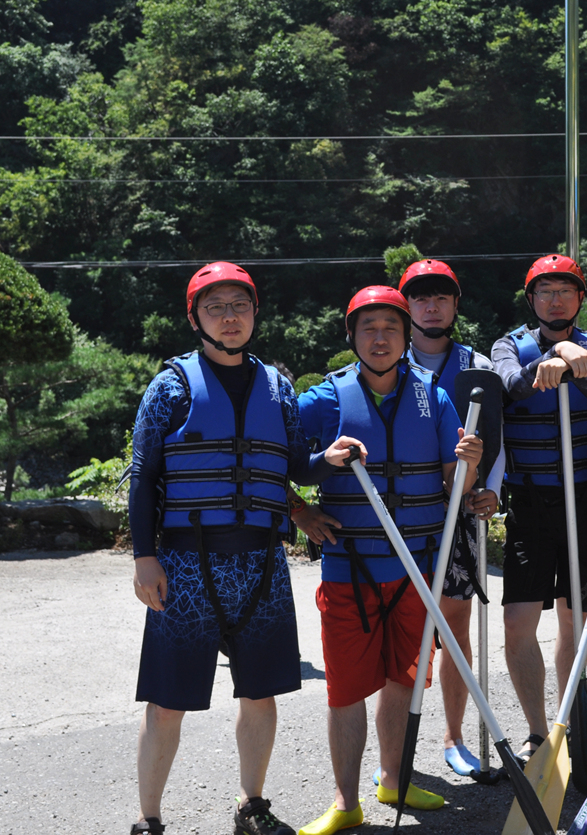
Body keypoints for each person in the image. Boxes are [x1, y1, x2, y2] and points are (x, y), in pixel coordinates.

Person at [128, 262, 345, 835]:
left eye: (239, 305)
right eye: (216, 307)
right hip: (185, 562)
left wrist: (329, 460)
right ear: (195, 317)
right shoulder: (170, 386)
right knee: (168, 701)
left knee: (261, 693)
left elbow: (295, 465)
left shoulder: (278, 386)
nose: (230, 317)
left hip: (261, 561)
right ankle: (149, 818)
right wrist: (144, 558)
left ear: (254, 313)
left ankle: (252, 806)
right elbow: (143, 476)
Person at [296, 286, 483, 835]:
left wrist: (470, 466)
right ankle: (345, 801)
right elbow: (270, 459)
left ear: (406, 337)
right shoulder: (324, 399)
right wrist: (299, 508)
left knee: (404, 681)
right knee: (346, 690)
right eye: (369, 329)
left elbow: (453, 486)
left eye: (391, 329)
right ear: (351, 336)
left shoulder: (435, 397)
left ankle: (395, 780)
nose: (380, 339)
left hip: (416, 569)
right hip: (349, 568)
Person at [490, 254, 587, 765]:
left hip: (584, 500)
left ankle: (574, 723)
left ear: (580, 298)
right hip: (530, 502)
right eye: (545, 292)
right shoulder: (507, 346)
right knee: (517, 621)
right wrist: (552, 357)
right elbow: (508, 385)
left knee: (575, 620)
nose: (555, 300)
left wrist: (566, 353)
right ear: (532, 300)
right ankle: (537, 732)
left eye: (565, 291)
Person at [397, 259, 505, 777]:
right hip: (402, 514)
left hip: (459, 514)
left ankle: (455, 737)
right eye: (420, 297)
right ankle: (395, 753)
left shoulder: (477, 366)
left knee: (455, 629)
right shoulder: (386, 359)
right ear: (406, 306)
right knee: (400, 629)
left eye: (441, 297)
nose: (431, 306)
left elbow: (497, 440)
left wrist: (492, 491)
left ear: (455, 305)